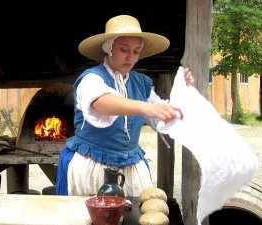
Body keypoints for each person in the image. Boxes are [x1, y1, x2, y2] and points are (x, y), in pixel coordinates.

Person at [56, 14, 194, 197]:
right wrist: (145, 107)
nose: (131, 57)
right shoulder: (91, 79)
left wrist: (182, 93)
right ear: (108, 48)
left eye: (136, 51)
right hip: (91, 168)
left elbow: (163, 116)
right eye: (124, 49)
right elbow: (100, 102)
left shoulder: (141, 84)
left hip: (131, 168)